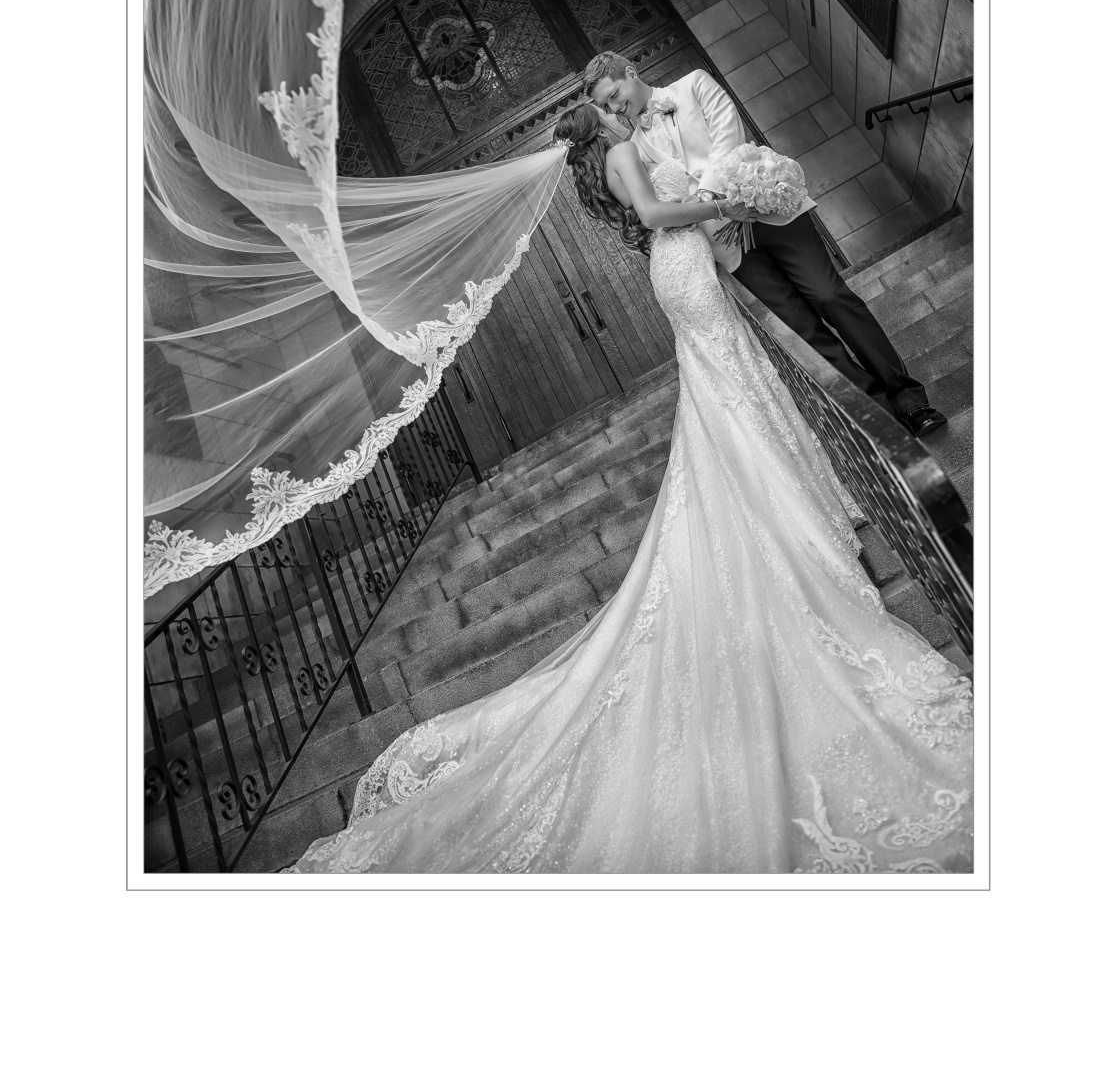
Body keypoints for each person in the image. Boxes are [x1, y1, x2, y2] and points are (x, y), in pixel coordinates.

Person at [286, 104, 972, 875]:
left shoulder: (620, 154)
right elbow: (653, 213)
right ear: (599, 125)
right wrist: (721, 202)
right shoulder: (619, 157)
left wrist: (715, 204)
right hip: (682, 263)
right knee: (726, 381)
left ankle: (783, 486)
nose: (623, 112)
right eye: (611, 109)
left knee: (730, 383)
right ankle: (779, 500)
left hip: (685, 266)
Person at [584, 51, 948, 439]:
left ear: (630, 72)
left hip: (767, 208)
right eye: (606, 105)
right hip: (726, 243)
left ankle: (910, 400)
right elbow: (661, 201)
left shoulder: (694, 84)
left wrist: (709, 198)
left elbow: (729, 139)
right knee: (801, 327)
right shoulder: (634, 149)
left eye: (614, 94)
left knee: (830, 296)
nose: (614, 107)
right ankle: (879, 415)